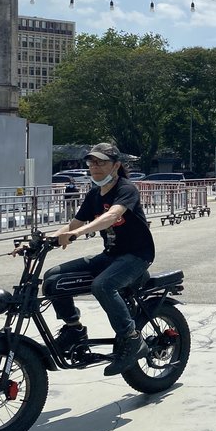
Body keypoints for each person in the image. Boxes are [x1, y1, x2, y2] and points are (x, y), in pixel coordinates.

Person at [44, 143, 155, 376]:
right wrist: (44, 241)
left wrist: (78, 233)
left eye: (101, 162)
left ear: (116, 165)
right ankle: (74, 329)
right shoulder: (94, 194)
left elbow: (112, 216)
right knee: (53, 277)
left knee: (103, 285)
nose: (95, 166)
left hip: (136, 256)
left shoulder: (126, 189)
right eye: (91, 162)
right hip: (111, 256)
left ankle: (132, 339)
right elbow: (73, 224)